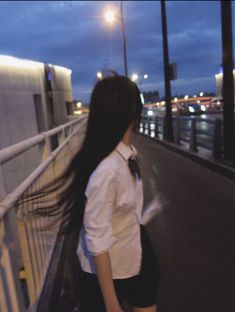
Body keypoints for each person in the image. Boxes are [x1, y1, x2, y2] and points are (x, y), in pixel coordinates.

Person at [76, 76, 160, 312]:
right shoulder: (107, 171)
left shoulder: (124, 158)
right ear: (132, 114)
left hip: (135, 251)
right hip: (110, 270)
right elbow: (98, 240)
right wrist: (112, 305)